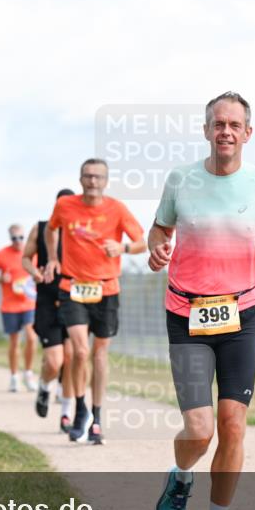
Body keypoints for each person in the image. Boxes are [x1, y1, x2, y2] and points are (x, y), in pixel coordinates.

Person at [148, 92, 255, 510]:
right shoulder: (181, 180)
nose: (225, 132)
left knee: (233, 427)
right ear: (206, 129)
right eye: (218, 124)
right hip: (187, 313)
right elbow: (159, 229)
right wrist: (156, 249)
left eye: (234, 124)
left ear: (247, 133)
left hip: (240, 315)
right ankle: (181, 478)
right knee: (199, 428)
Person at [44, 159, 147, 444]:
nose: (92, 181)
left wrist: (123, 247)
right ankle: (79, 409)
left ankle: (97, 418)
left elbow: (142, 242)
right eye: (88, 176)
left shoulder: (116, 209)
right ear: (80, 179)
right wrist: (53, 258)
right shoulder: (65, 206)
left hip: (107, 289)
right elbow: (50, 229)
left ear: (106, 180)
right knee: (79, 352)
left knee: (99, 355)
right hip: (73, 287)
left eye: (98, 177)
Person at [22, 189, 77, 429]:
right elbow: (26, 258)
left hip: (75, 300)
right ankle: (44, 387)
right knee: (54, 361)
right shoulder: (41, 228)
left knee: (72, 357)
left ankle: (66, 414)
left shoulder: (80, 232)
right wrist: (35, 273)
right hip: (47, 300)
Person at [0, 225, 39, 392]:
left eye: (21, 237)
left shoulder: (33, 253)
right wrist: (1, 278)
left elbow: (40, 272)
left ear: (25, 238)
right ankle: (14, 376)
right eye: (14, 238)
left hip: (29, 303)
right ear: (10, 239)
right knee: (14, 341)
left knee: (31, 337)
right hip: (10, 305)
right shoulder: (1, 254)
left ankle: (29, 373)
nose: (18, 241)